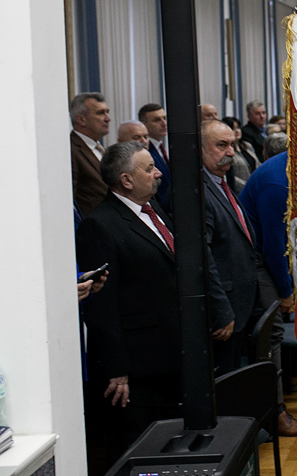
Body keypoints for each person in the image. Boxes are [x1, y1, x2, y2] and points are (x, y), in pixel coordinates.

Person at [76, 141, 179, 473]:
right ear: (125, 180)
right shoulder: (100, 225)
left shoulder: (154, 209)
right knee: (140, 450)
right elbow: (101, 303)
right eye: (148, 168)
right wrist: (116, 368)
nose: (157, 172)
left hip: (168, 355)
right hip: (136, 366)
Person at [237, 143, 297, 437]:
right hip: (260, 260)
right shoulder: (276, 181)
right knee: (272, 334)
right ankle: (276, 414)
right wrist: (285, 291)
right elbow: (272, 246)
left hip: (279, 254)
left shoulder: (295, 167)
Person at [200, 120, 267, 373]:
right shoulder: (199, 192)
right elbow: (203, 258)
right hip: (225, 313)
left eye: (233, 145)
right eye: (221, 145)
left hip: (242, 302)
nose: (231, 152)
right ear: (200, 149)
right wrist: (221, 311)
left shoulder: (221, 182)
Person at [70, 92, 111, 218]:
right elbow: (70, 199)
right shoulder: (71, 150)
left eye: (107, 112)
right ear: (81, 119)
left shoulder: (100, 149)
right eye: (100, 113)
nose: (108, 118)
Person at [138, 103, 171, 213]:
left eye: (164, 118)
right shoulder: (145, 152)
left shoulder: (161, 148)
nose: (164, 123)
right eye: (157, 120)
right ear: (144, 124)